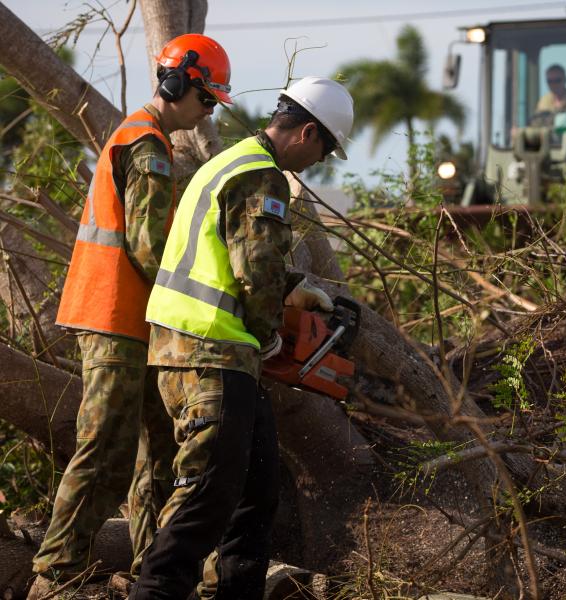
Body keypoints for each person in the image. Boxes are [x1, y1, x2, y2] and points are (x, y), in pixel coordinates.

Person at [128, 76, 354, 600]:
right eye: (325, 148)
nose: (320, 161)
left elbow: (228, 256)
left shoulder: (226, 163)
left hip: (199, 351)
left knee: (255, 490)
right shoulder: (262, 177)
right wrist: (270, 334)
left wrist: (297, 290)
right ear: (307, 133)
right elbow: (254, 269)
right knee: (204, 497)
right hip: (211, 352)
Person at [26, 34, 233, 600]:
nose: (207, 110)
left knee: (159, 452)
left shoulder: (144, 137)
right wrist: (202, 297)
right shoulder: (147, 146)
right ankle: (56, 573)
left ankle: (154, 571)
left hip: (133, 320)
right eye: (207, 99)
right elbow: (147, 247)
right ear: (177, 84)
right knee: (106, 451)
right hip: (115, 316)